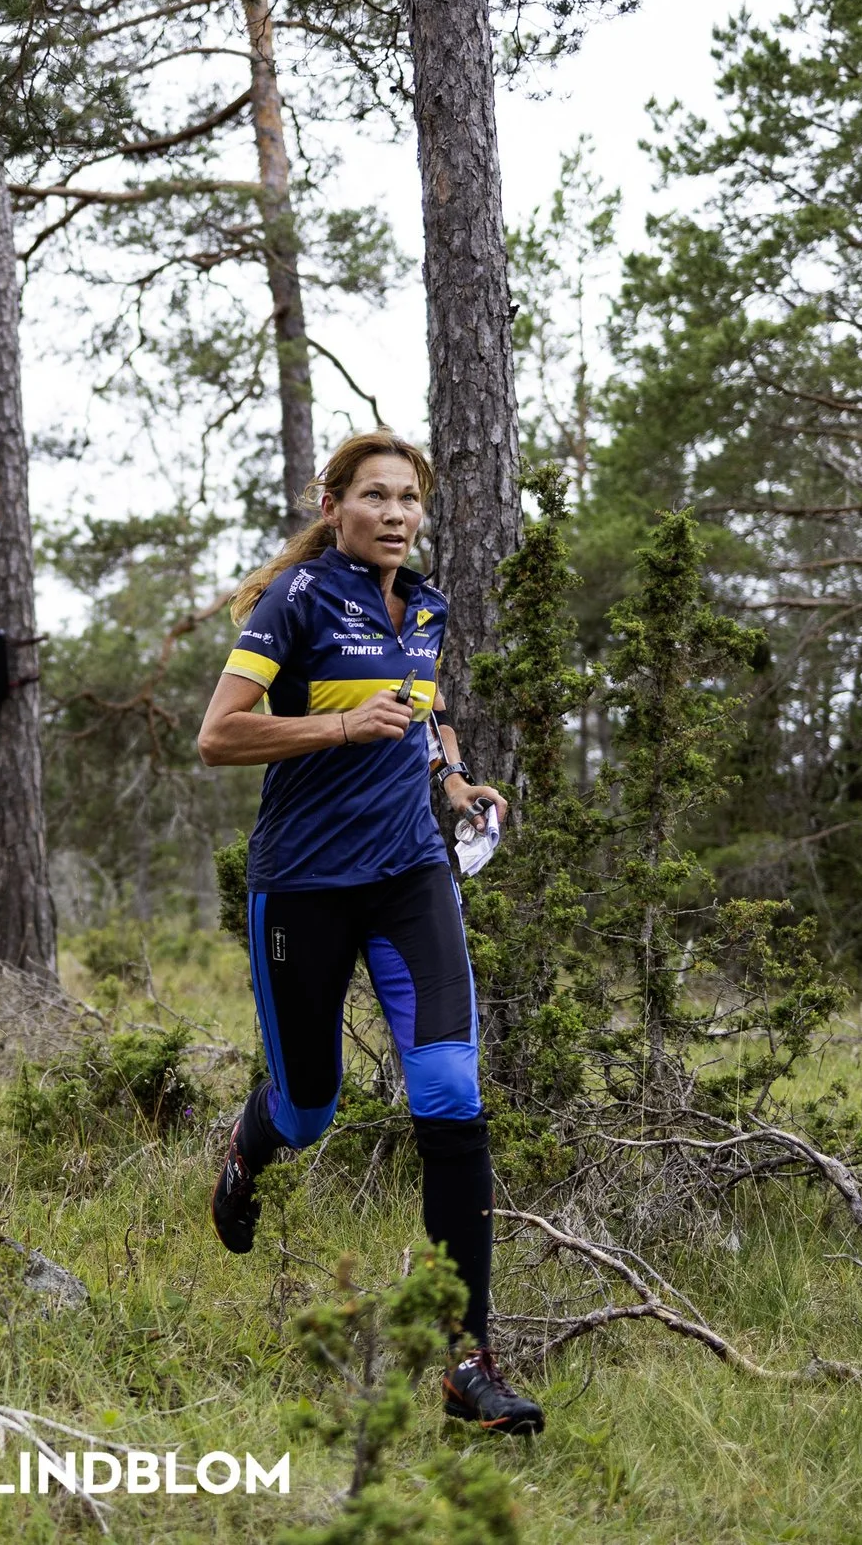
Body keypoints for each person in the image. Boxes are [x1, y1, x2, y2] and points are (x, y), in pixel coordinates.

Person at [194, 429, 544, 1436]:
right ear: (334, 503)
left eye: (409, 500)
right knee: (308, 1111)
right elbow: (219, 734)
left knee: (449, 1090)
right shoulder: (296, 601)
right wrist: (337, 728)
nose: (396, 514)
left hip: (409, 875)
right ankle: (246, 1151)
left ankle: (464, 1356)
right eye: (375, 497)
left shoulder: (426, 604)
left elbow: (424, 710)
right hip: (303, 885)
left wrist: (453, 775)